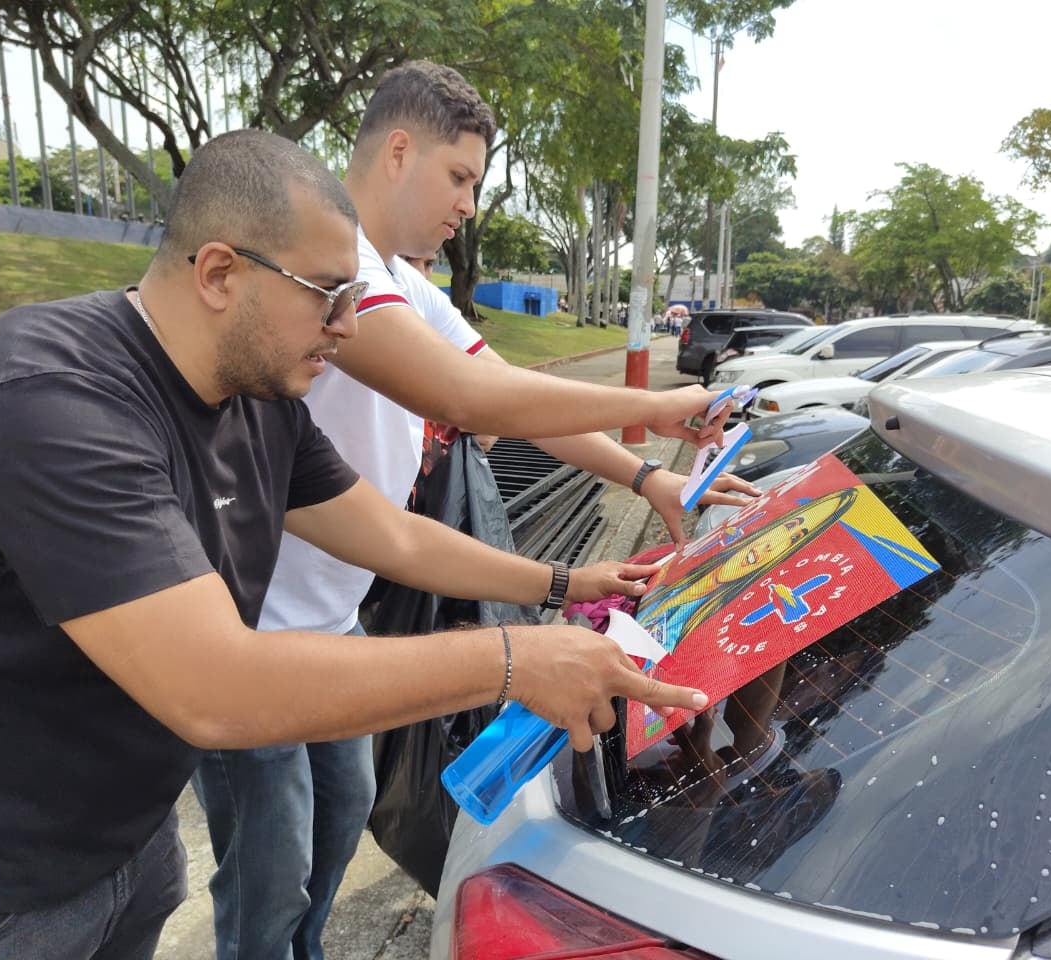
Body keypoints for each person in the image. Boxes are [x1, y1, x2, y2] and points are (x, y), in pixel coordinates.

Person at [0, 128, 714, 960]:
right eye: (327, 294)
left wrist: (562, 585)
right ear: (220, 272)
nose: (346, 328)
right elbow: (214, 689)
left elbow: (392, 537)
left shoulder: (259, 400)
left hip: (124, 836)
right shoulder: (49, 405)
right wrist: (517, 659)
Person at [190, 62, 759, 960]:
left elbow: (496, 392)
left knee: (334, 829)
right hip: (252, 626)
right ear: (399, 150)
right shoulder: (335, 282)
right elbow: (475, 398)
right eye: (460, 178)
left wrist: (647, 480)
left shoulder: (402, 284)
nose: (468, 205)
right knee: (270, 869)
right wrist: (651, 413)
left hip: (337, 612)